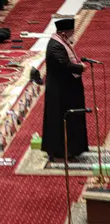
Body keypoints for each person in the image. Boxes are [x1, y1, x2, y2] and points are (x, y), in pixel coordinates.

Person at [41, 19, 89, 161]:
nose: (73, 35)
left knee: (71, 119)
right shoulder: (55, 46)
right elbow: (64, 65)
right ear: (63, 33)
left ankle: (72, 150)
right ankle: (61, 152)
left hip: (66, 89)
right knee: (61, 120)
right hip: (60, 92)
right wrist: (81, 68)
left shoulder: (61, 43)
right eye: (71, 32)